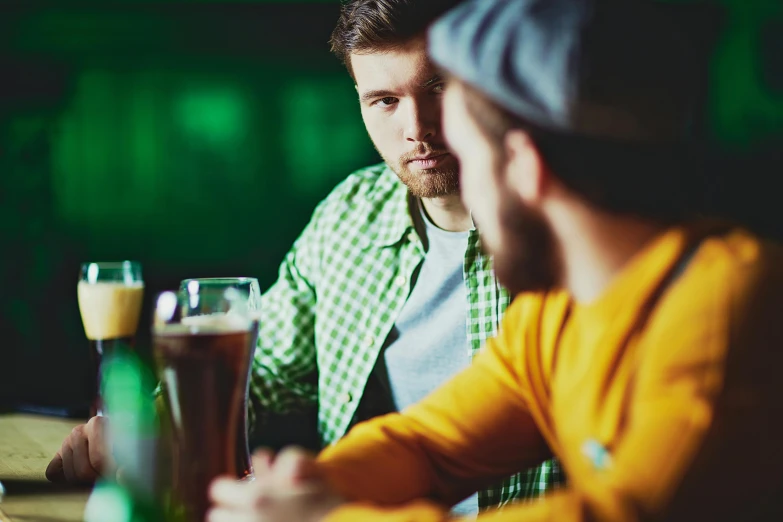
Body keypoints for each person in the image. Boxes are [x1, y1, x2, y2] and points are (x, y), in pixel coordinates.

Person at [206, 0, 783, 521]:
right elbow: (430, 443)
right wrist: (309, 487)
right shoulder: (557, 310)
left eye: (469, 151)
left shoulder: (729, 300)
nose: (423, 138)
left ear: (524, 167)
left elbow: (619, 513)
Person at [45, 0, 561, 514]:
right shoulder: (348, 217)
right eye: (384, 100)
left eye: (441, 89)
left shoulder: (572, 228)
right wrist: (149, 428)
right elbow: (259, 373)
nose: (418, 128)